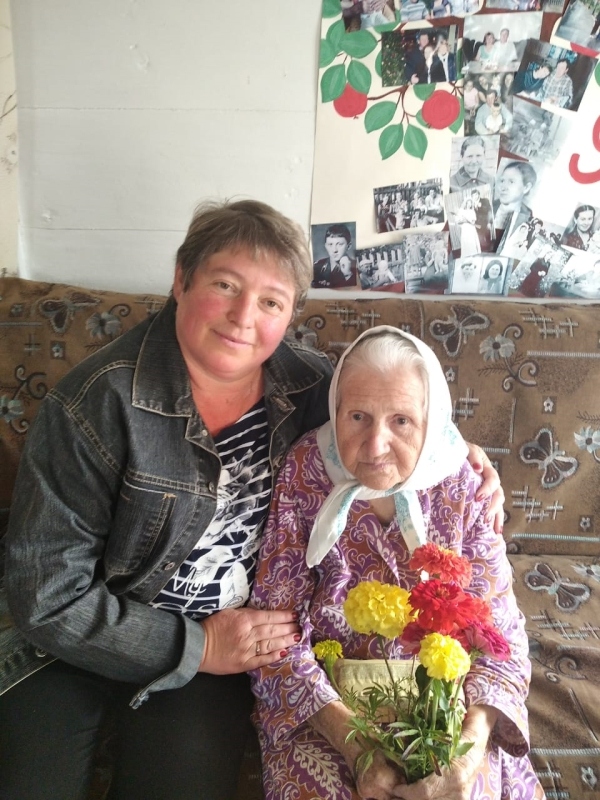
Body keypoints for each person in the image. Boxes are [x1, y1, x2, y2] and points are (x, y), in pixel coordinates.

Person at [1, 199, 504, 800]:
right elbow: (45, 595)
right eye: (225, 285)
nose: (244, 317)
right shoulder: (92, 405)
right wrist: (200, 646)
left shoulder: (310, 386)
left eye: (271, 301)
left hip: (221, 651)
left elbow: (394, 414)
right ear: (181, 280)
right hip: (78, 645)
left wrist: (460, 455)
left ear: (289, 315)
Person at [249, 327, 544, 800]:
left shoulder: (463, 481)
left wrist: (468, 749)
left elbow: (500, 633)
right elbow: (272, 630)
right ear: (335, 410)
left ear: (432, 421)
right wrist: (356, 746)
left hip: (447, 700)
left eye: (402, 421)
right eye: (358, 416)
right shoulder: (305, 469)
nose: (374, 446)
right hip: (329, 705)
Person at [493, 160, 536, 238]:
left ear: (526, 188)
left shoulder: (528, 217)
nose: (503, 187)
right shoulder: (489, 206)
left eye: (511, 182)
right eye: (502, 181)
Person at [313, 223, 358, 288]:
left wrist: (348, 274)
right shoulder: (316, 266)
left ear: (348, 246)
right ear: (325, 246)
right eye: (330, 244)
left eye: (340, 244)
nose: (334, 250)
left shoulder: (357, 267)